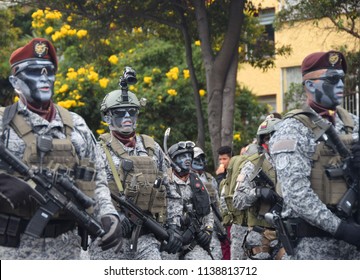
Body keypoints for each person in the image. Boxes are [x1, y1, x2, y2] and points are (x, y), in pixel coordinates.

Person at [0, 38, 122, 259]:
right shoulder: (3, 122)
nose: (44, 77)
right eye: (35, 72)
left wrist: (108, 214)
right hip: (13, 249)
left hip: (67, 249)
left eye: (49, 71)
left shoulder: (77, 124)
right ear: (15, 82)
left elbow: (98, 179)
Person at [269, 50, 360, 259]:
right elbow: (297, 193)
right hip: (313, 249)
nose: (340, 85)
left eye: (342, 79)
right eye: (332, 79)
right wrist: (341, 229)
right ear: (310, 85)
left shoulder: (354, 124)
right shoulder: (292, 129)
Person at [89, 86, 183, 260]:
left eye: (132, 112)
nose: (127, 117)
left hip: (147, 237)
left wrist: (174, 227)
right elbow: (87, 193)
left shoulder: (152, 148)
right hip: (110, 241)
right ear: (107, 117)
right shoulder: (98, 151)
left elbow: (171, 192)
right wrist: (112, 216)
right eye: (120, 113)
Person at [233, 115, 282, 260]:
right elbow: (238, 200)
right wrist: (257, 192)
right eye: (269, 138)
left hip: (288, 234)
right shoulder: (253, 166)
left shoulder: (293, 163)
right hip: (261, 236)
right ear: (264, 141)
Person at [167, 141, 214, 260]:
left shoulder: (197, 181)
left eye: (189, 156)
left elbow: (208, 211)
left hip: (192, 242)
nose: (187, 159)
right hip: (168, 241)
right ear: (172, 160)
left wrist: (208, 230)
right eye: (183, 156)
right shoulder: (164, 182)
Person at [191, 146, 223, 260]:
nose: (200, 162)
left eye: (201, 159)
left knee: (215, 255)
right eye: (196, 159)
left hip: (210, 225)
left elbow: (218, 203)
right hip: (193, 226)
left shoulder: (209, 178)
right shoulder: (186, 178)